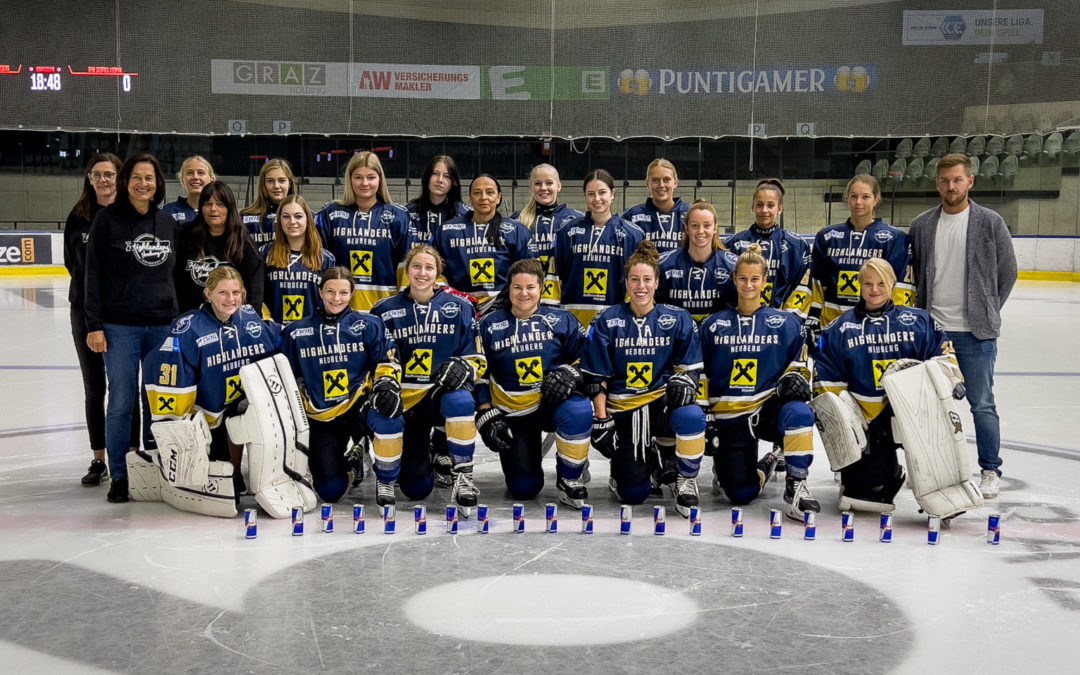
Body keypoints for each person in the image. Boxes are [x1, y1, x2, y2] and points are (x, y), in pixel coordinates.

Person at [908, 153, 1017, 499]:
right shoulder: (922, 225)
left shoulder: (991, 222)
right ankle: (934, 468)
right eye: (945, 181)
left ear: (970, 181)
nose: (951, 187)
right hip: (933, 333)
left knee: (981, 403)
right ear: (937, 183)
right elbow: (916, 273)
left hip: (975, 334)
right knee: (930, 406)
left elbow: (1008, 271)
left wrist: (987, 308)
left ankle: (989, 469)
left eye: (957, 180)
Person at [814, 258, 960, 511]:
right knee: (865, 494)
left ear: (893, 284)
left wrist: (952, 380)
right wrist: (844, 423)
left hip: (916, 414)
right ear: (859, 285)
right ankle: (887, 472)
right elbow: (827, 382)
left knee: (941, 471)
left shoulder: (919, 321)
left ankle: (942, 481)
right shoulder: (840, 329)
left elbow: (944, 354)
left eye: (881, 283)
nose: (874, 290)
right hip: (868, 424)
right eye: (868, 283)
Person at [581, 240, 705, 517]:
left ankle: (684, 476)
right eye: (635, 279)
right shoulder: (607, 320)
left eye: (647, 279)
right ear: (626, 282)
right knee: (634, 493)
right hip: (625, 408)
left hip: (660, 402)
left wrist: (685, 383)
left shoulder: (677, 318)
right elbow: (596, 377)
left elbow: (690, 369)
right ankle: (636, 464)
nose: (641, 286)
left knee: (691, 414)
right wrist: (601, 418)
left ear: (657, 282)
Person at [699, 243, 819, 521]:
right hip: (730, 415)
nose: (748, 285)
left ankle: (796, 484)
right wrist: (706, 415)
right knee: (740, 493)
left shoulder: (786, 323)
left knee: (799, 411)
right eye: (743, 278)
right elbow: (701, 372)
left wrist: (797, 377)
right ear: (734, 279)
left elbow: (800, 364)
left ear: (765, 281)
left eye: (755, 279)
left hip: (766, 410)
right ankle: (769, 462)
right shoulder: (713, 325)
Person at [84, 153, 178, 503]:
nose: (143, 184)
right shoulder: (107, 220)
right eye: (137, 177)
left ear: (158, 183)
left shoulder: (166, 222)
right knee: (121, 401)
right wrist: (94, 325)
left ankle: (154, 468)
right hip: (119, 326)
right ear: (126, 181)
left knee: (156, 401)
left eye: (149, 178)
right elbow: (92, 275)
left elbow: (175, 275)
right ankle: (121, 475)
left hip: (162, 325)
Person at [143, 267, 280, 496]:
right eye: (223, 293)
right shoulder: (188, 327)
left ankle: (240, 470)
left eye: (235, 292)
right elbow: (167, 368)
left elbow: (278, 342)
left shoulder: (250, 317)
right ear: (208, 294)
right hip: (204, 414)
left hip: (238, 406)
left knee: (245, 412)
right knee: (218, 472)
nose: (230, 299)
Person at [371, 245, 487, 507]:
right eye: (416, 266)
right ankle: (393, 470)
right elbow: (375, 357)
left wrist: (465, 367)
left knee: (461, 400)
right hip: (404, 401)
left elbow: (477, 357)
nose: (422, 273)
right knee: (416, 488)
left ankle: (462, 474)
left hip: (438, 396)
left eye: (428, 268)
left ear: (438, 273)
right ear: (407, 271)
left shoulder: (460, 307)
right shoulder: (383, 310)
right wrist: (384, 383)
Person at [475, 258, 593, 507]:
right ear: (508, 289)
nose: (524, 293)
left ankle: (570, 475)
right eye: (517, 287)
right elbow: (479, 372)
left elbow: (588, 359)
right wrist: (485, 411)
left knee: (578, 408)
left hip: (551, 403)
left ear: (541, 288)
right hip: (513, 411)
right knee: (523, 488)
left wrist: (571, 372)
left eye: (530, 287)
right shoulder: (489, 324)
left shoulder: (562, 319)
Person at [280, 267, 403, 504]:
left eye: (343, 293)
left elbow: (386, 361)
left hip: (359, 406)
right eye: (330, 292)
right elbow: (285, 376)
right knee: (330, 490)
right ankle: (356, 465)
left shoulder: (369, 324)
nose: (336, 298)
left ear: (352, 293)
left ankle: (386, 480)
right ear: (320, 292)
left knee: (389, 410)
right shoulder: (296, 332)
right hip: (321, 414)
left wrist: (386, 385)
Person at [64, 152, 140, 487]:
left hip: (122, 312)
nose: (103, 180)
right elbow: (73, 264)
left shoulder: (128, 214)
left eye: (109, 174)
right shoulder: (78, 216)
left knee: (126, 386)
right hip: (84, 311)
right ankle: (99, 459)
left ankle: (133, 455)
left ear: (119, 177)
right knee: (95, 386)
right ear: (89, 178)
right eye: (97, 174)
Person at [809, 174, 913, 335]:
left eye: (865, 197)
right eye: (853, 196)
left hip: (876, 327)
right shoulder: (827, 236)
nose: (858, 202)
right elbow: (817, 283)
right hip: (832, 324)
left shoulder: (895, 238)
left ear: (876, 199)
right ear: (847, 198)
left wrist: (893, 323)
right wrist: (813, 317)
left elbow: (901, 285)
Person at [548, 169, 645, 326]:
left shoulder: (633, 234)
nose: (597, 198)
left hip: (616, 321)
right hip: (573, 320)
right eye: (591, 194)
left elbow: (637, 281)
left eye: (602, 192)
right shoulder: (566, 231)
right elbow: (555, 276)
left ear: (612, 194)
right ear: (585, 196)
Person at [318, 151, 410, 311]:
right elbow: (320, 264)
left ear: (380, 179)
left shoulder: (398, 216)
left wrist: (403, 308)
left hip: (384, 309)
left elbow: (405, 268)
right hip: (339, 307)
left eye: (371, 177)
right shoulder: (330, 214)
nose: (364, 183)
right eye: (358, 177)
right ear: (349, 179)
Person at [433, 174, 531, 307]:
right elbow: (435, 270)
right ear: (470, 198)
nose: (483, 197)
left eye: (489, 192)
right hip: (458, 307)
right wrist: (453, 298)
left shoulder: (516, 231)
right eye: (477, 193)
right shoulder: (446, 231)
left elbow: (528, 273)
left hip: (504, 309)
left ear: (498, 197)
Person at [725, 178, 811, 318]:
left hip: (781, 322)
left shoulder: (797, 245)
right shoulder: (734, 243)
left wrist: (787, 321)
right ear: (752, 207)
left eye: (770, 205)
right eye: (759, 205)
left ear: (780, 208)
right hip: (741, 320)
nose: (764, 210)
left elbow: (803, 288)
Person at [174, 181, 264, 313]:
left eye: (220, 204)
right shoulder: (185, 235)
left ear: (230, 208)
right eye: (207, 204)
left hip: (229, 318)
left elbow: (254, 294)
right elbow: (174, 280)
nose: (213, 209)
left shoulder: (244, 243)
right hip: (190, 317)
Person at [656, 198, 738, 321]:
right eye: (695, 225)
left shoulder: (732, 266)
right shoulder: (665, 264)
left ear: (715, 228)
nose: (701, 231)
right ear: (686, 228)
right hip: (678, 333)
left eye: (707, 225)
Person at [262, 194, 336, 324]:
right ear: (279, 220)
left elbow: (330, 302)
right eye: (286, 216)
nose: (292, 221)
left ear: (308, 219)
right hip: (275, 330)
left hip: (311, 332)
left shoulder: (326, 258)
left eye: (298, 216)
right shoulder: (265, 254)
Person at [512, 163, 583, 284]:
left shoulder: (576, 220)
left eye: (549, 183)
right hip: (527, 293)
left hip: (564, 293)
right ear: (531, 187)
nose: (543, 188)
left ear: (559, 186)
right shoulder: (516, 220)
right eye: (537, 183)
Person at [623, 158, 689, 256]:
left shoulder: (690, 213)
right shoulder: (632, 216)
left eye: (666, 180)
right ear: (647, 183)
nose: (661, 185)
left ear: (675, 183)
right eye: (655, 180)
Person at [405, 154, 468, 246]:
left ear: (453, 183)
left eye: (446, 176)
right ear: (427, 178)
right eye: (435, 174)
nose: (440, 180)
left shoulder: (464, 215)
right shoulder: (409, 212)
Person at [242, 158, 296, 248]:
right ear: (263, 184)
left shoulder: (304, 217)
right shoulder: (244, 218)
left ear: (289, 183)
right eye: (270, 181)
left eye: (281, 180)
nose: (276, 186)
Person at [161, 155, 215, 227]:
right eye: (189, 173)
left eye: (201, 173)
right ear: (182, 180)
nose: (195, 177)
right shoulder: (167, 210)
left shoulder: (219, 211)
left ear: (211, 180)